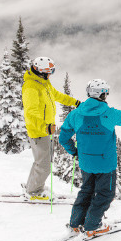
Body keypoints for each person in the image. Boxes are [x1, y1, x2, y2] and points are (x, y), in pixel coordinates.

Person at [59, 78, 121, 237]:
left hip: (86, 163)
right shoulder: (109, 113)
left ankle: (75, 224)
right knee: (104, 195)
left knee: (86, 191)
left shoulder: (75, 114)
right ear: (102, 94)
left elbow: (63, 138)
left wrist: (74, 152)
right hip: (105, 164)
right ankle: (92, 226)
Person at [22, 56, 81, 201]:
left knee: (41, 161)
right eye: (49, 71)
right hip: (38, 131)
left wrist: (76, 102)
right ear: (40, 71)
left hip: (45, 130)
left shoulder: (44, 84)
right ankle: (34, 192)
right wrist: (44, 126)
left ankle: (32, 187)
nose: (51, 74)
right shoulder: (31, 87)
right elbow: (31, 112)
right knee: (44, 164)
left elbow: (58, 96)